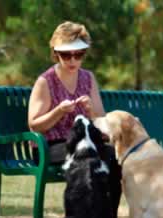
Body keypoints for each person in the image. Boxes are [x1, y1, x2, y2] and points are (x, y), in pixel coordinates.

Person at [28, 21, 106, 164]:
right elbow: (35, 125)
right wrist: (59, 111)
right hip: (48, 147)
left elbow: (102, 120)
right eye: (66, 55)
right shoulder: (45, 81)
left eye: (78, 54)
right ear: (56, 53)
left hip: (83, 143)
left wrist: (90, 111)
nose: (72, 60)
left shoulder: (88, 78)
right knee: (87, 153)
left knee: (114, 155)